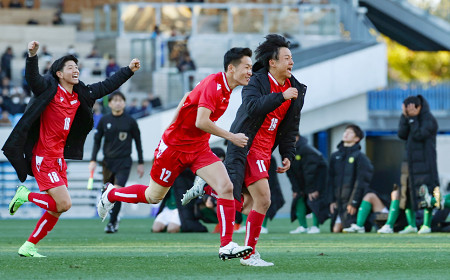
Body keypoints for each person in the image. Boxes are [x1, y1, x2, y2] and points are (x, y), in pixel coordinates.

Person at [96, 47, 254, 261]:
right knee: (153, 196)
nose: (250, 72)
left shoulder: (225, 88)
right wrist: (232, 137)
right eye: (247, 67)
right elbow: (201, 121)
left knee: (226, 187)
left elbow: (188, 97)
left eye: (251, 67)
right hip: (174, 149)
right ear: (231, 68)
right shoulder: (214, 85)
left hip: (198, 147)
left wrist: (172, 124)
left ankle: (226, 245)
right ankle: (111, 194)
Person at [3, 40, 140, 257]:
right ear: (58, 73)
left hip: (59, 159)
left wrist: (128, 71)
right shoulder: (48, 89)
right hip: (43, 157)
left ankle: (29, 245)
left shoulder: (80, 94)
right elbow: (32, 79)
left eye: (76, 67)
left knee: (56, 209)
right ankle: (25, 195)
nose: (75, 70)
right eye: (70, 67)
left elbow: (106, 86)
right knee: (64, 204)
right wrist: (32, 56)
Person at [184, 34, 306, 266]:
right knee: (264, 200)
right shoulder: (258, 81)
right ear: (273, 62)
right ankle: (249, 255)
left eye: (292, 58)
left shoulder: (295, 89)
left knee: (248, 204)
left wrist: (288, 153)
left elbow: (291, 127)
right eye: (287, 58)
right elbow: (252, 107)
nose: (291, 62)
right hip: (247, 145)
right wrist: (280, 96)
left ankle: (209, 189)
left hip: (265, 151)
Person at [378, 95, 439, 234]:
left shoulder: (429, 119)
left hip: (425, 164)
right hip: (408, 163)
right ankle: (411, 225)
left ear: (418, 107)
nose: (405, 110)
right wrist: (406, 118)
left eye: (408, 108)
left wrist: (413, 119)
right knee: (406, 194)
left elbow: (420, 135)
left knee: (426, 194)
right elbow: (402, 134)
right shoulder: (407, 118)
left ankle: (426, 225)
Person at [89, 91, 144, 234]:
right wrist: (93, 159)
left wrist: (141, 163)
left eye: (121, 100)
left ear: (124, 103)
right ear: (110, 103)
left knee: (117, 191)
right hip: (107, 162)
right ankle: (114, 216)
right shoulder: (104, 120)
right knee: (107, 192)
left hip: (124, 162)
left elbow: (138, 142)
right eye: (115, 100)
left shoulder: (130, 121)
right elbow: (96, 141)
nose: (118, 102)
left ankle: (112, 223)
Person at [329, 124, 374, 233]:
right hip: (338, 204)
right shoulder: (335, 156)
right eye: (345, 131)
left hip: (351, 203)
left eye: (350, 132)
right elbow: (330, 180)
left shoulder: (360, 157)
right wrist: (331, 200)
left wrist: (354, 202)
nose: (346, 134)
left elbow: (362, 182)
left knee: (348, 229)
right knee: (335, 230)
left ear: (357, 139)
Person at [287, 134, 329, 234]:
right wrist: (295, 189)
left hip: (318, 179)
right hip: (303, 180)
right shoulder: (287, 151)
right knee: (298, 198)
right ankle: (303, 227)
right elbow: (290, 173)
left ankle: (315, 226)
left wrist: (312, 189)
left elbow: (310, 172)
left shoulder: (306, 149)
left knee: (313, 199)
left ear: (296, 136)